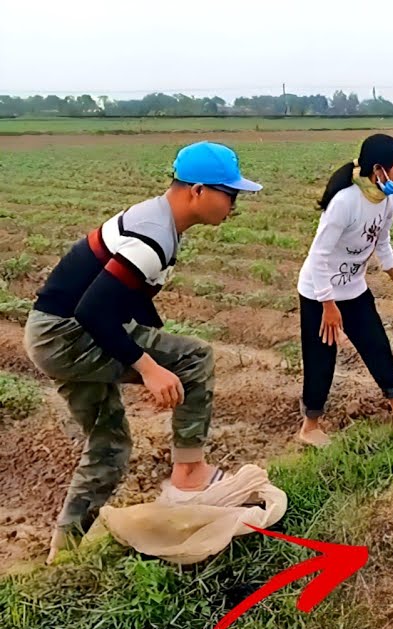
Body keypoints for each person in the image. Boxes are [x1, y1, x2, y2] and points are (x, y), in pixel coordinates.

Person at [23, 141, 261, 561]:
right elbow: (93, 310)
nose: (234, 205)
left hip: (53, 333)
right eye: (231, 194)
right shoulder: (154, 234)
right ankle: (189, 476)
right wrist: (150, 367)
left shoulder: (159, 220)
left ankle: (63, 554)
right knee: (193, 358)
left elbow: (125, 295)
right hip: (67, 334)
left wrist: (151, 342)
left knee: (110, 450)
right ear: (198, 190)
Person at [295, 133, 393, 447]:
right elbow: (318, 256)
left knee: (377, 346)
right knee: (322, 357)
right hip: (318, 293)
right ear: (379, 170)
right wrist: (328, 305)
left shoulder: (387, 197)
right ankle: (310, 427)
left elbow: (382, 242)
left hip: (354, 290)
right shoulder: (346, 201)